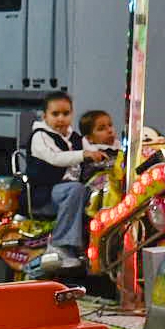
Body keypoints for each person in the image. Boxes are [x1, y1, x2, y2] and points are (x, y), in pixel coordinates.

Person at [43, 109, 118, 272]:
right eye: (102, 128)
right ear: (89, 138)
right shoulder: (91, 151)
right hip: (94, 188)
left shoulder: (120, 149)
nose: (109, 130)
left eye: (110, 125)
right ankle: (64, 244)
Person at [18, 92, 81, 220]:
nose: (61, 118)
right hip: (44, 194)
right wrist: (84, 154)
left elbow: (91, 147)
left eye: (66, 113)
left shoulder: (73, 136)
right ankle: (62, 238)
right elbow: (56, 158)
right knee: (75, 190)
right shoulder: (40, 136)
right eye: (55, 114)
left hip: (64, 189)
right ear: (45, 116)